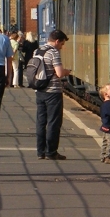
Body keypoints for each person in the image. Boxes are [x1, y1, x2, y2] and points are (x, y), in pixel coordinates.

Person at [36, 29, 70, 160]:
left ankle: (40, 151)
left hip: (40, 90)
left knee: (41, 122)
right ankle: (51, 152)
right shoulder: (53, 52)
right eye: (61, 44)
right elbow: (59, 73)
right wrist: (68, 71)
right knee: (53, 122)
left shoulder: (37, 50)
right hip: (53, 92)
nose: (61, 47)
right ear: (57, 41)